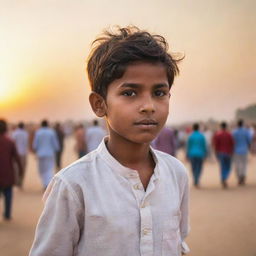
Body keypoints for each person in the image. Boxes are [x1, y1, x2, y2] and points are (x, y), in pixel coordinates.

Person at [29, 26, 190, 256]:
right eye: (130, 93)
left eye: (159, 93)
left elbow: (179, 244)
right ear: (99, 104)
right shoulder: (73, 185)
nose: (149, 106)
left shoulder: (176, 173)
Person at [0, 119, 23, 220]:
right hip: (7, 173)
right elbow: (17, 158)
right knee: (8, 194)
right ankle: (7, 214)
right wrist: (21, 169)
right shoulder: (10, 142)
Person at [33, 120, 59, 190]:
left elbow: (35, 144)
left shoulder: (38, 132)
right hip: (50, 153)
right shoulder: (51, 132)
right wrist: (56, 149)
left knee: (42, 170)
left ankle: (45, 184)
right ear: (47, 125)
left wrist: (35, 151)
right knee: (49, 169)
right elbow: (55, 143)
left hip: (40, 154)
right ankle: (47, 184)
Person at [212, 122, 234, 188]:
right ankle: (225, 177)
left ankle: (223, 177)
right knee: (228, 167)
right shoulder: (229, 134)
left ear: (221, 127)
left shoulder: (218, 135)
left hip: (221, 153)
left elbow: (216, 145)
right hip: (228, 153)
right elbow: (232, 143)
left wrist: (216, 153)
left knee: (222, 166)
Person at [186, 123, 207, 188]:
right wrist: (205, 154)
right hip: (200, 154)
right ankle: (197, 180)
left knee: (193, 167)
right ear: (198, 128)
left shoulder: (190, 136)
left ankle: (195, 179)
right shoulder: (202, 136)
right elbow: (204, 146)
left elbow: (188, 146)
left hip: (192, 154)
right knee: (199, 167)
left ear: (193, 128)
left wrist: (187, 154)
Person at [232, 119, 251, 185]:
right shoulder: (246, 131)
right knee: (244, 164)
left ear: (237, 124)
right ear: (242, 124)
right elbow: (249, 141)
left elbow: (232, 141)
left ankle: (239, 177)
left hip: (236, 151)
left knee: (237, 165)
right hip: (244, 150)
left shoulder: (234, 132)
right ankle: (242, 176)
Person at [11, 121, 29, 187]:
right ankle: (20, 181)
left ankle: (17, 181)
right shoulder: (25, 133)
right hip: (24, 153)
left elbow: (12, 144)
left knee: (16, 168)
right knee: (23, 168)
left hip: (16, 153)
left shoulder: (14, 133)